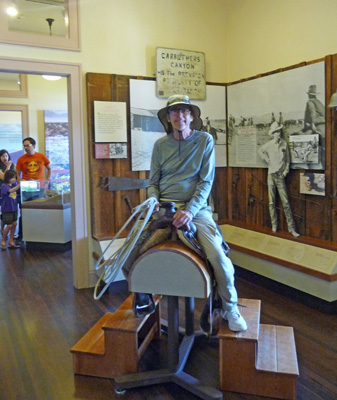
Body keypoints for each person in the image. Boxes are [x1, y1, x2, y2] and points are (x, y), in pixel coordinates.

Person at [147, 94, 247, 332]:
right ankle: (143, 299)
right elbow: (152, 182)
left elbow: (206, 181)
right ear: (168, 118)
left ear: (191, 116)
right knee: (129, 252)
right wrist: (152, 200)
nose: (179, 116)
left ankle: (230, 306)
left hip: (196, 209)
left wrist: (190, 211)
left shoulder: (205, 141)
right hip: (164, 207)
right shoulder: (160, 145)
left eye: (184, 111)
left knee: (217, 257)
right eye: (174, 112)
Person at [258, 122, 300, 237]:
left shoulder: (284, 144)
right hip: (271, 175)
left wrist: (285, 172)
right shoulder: (269, 144)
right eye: (276, 132)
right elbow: (260, 151)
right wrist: (267, 159)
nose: (278, 134)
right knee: (271, 202)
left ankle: (291, 228)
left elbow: (287, 160)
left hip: (280, 176)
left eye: (279, 131)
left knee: (286, 202)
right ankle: (274, 225)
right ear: (272, 134)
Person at [16, 137, 52, 202]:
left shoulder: (42, 156)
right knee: (27, 207)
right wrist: (20, 182)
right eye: (24, 146)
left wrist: (47, 181)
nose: (26, 148)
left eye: (28, 145)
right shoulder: (21, 159)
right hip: (27, 188)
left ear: (33, 145)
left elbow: (49, 169)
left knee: (39, 207)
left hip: (39, 187)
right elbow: (17, 174)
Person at [1, 170, 20, 249]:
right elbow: (11, 191)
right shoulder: (4, 186)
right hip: (7, 209)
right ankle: (3, 240)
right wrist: (19, 185)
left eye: (14, 177)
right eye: (12, 177)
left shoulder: (14, 184)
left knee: (15, 224)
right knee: (9, 225)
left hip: (14, 208)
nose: (13, 179)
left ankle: (11, 241)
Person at [0, 150, 17, 235]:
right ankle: (2, 230)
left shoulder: (12, 165)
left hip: (12, 189)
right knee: (5, 211)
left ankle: (10, 233)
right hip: (3, 190)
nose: (5, 158)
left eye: (6, 156)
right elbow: (4, 177)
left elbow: (15, 174)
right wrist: (8, 166)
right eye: (3, 156)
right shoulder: (2, 167)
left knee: (11, 212)